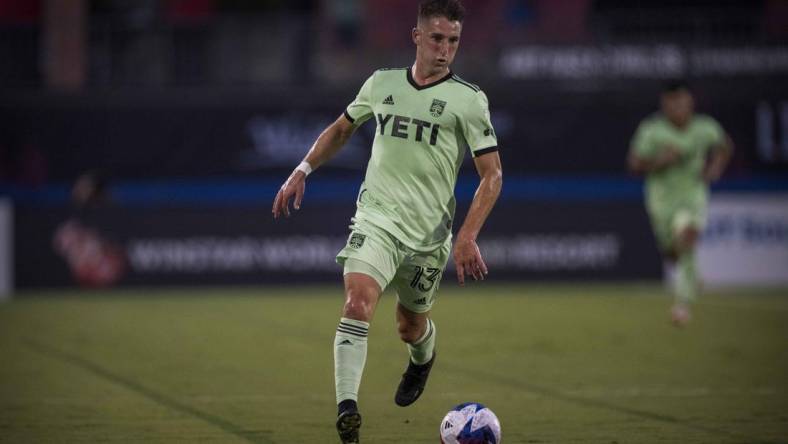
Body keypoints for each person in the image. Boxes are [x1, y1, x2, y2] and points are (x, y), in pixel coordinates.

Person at [272, 1, 502, 442]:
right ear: (416, 37)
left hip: (429, 235)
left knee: (408, 326)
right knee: (358, 302)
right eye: (436, 38)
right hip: (376, 220)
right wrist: (301, 169)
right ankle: (347, 411)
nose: (444, 50)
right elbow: (342, 128)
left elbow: (492, 174)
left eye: (453, 41)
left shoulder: (468, 100)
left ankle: (421, 358)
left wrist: (467, 235)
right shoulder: (382, 84)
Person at [628, 80, 733, 327]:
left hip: (693, 195)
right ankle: (692, 275)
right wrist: (659, 161)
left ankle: (682, 304)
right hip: (661, 201)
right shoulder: (652, 130)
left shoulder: (705, 127)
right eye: (672, 104)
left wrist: (715, 168)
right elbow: (634, 165)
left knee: (688, 236)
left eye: (682, 103)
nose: (677, 108)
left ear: (690, 102)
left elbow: (724, 147)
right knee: (672, 253)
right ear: (664, 105)